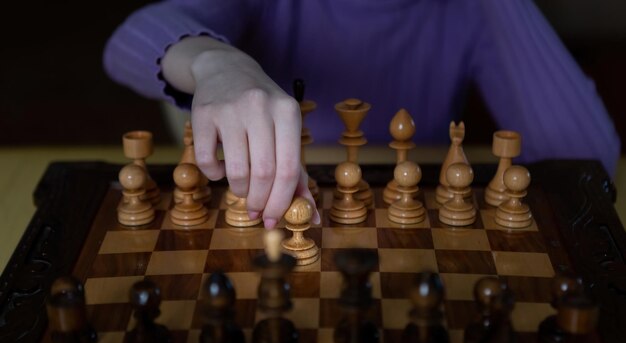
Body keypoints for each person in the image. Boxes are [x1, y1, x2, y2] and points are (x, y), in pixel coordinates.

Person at [103, 0, 620, 229]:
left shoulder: (469, 11)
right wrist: (217, 62)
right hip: (265, 217)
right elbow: (129, 40)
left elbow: (588, 165)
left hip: (412, 232)